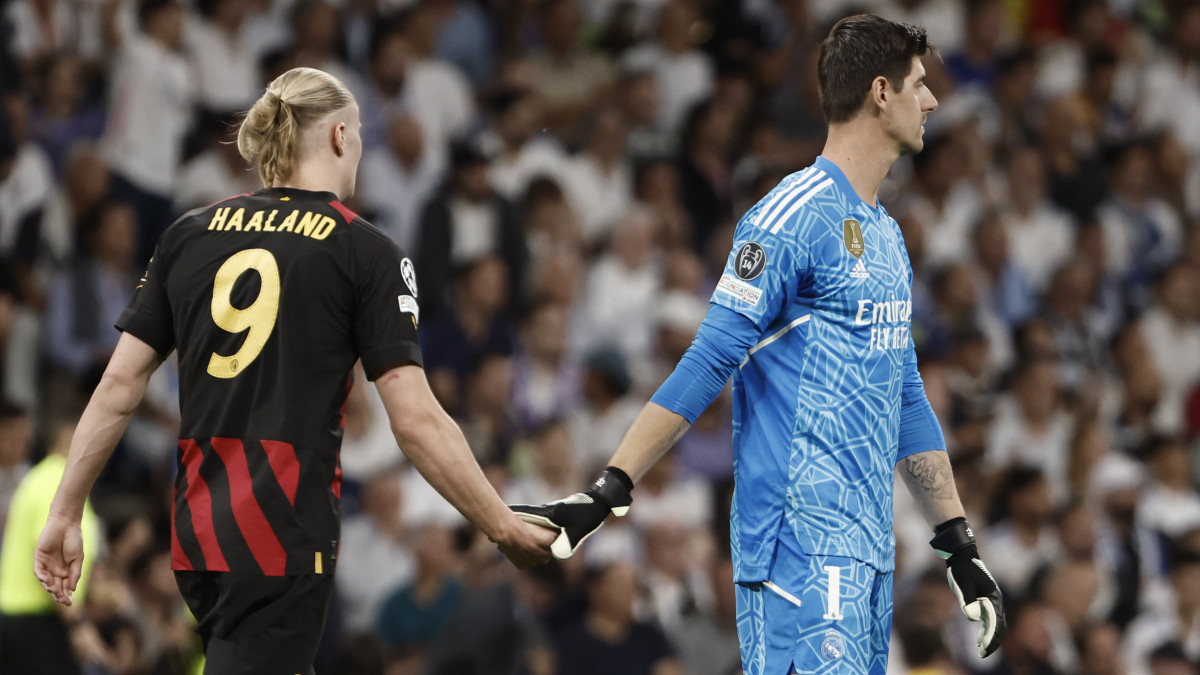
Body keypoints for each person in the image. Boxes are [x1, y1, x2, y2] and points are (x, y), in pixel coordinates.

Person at [512, 15, 1006, 675]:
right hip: (796, 543)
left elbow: (904, 392)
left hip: (866, 551)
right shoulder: (787, 217)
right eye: (920, 83)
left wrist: (958, 544)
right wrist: (609, 487)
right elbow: (710, 357)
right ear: (881, 92)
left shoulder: (887, 237)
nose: (934, 99)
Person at [33, 66, 554, 675]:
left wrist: (65, 512)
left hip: (199, 529)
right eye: (359, 133)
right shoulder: (367, 252)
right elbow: (414, 421)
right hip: (279, 529)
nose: (360, 148)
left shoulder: (189, 233)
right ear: (338, 136)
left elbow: (119, 386)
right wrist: (501, 524)